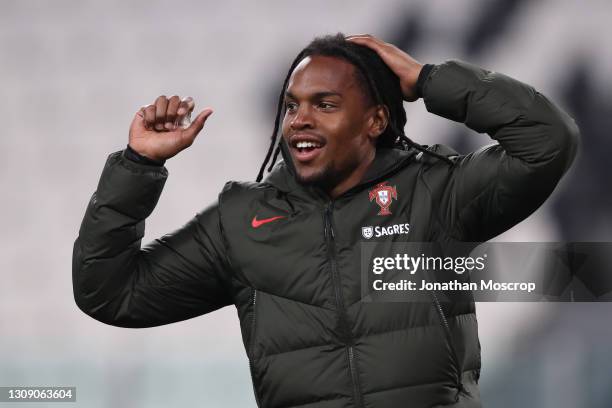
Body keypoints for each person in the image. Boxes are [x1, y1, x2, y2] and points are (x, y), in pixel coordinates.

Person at [72, 33, 579, 407]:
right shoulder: (242, 220)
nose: (300, 120)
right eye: (292, 106)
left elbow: (547, 141)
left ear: (376, 120)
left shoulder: (434, 191)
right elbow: (110, 293)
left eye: (326, 104)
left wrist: (429, 81)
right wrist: (139, 166)